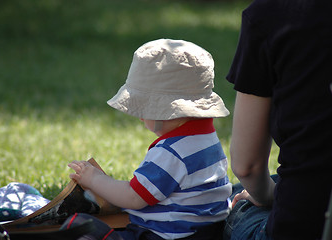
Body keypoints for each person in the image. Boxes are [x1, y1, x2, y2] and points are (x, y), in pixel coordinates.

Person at [68, 39, 232, 240]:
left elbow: (134, 197)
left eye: (144, 109)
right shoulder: (208, 138)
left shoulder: (171, 152)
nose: (140, 117)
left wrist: (94, 179)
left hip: (166, 235)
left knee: (80, 226)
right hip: (207, 231)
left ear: (168, 111)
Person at [223, 0, 332, 239]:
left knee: (230, 199)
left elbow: (247, 166)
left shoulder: (273, 12)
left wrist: (269, 196)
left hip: (305, 224)